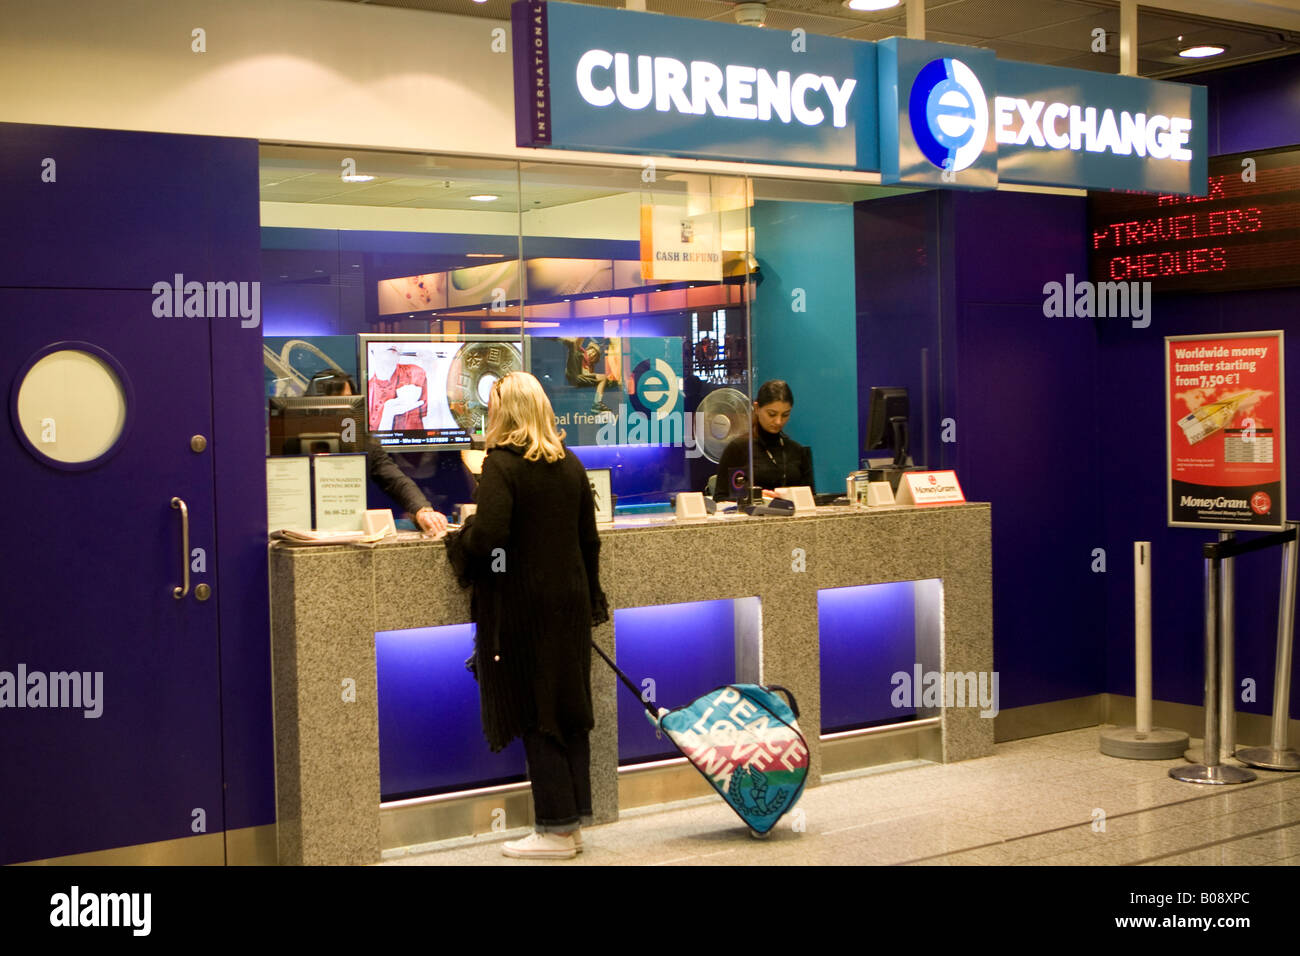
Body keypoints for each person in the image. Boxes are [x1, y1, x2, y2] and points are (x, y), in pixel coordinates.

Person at [445, 371, 606, 860]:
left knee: (538, 711)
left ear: (505, 412)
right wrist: (589, 597)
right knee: (568, 711)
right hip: (570, 603)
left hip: (527, 608)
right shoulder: (570, 464)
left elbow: (492, 539)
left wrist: (460, 541)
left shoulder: (502, 465)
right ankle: (571, 822)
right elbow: (588, 541)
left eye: (492, 404)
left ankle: (555, 831)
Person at [307, 369, 448, 536]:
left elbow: (395, 480)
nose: (342, 410)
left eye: (347, 401)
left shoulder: (363, 443)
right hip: (306, 531)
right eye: (335, 402)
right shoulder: (297, 442)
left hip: (351, 532)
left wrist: (422, 510)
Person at [713, 379, 815, 501]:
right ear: (757, 408)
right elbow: (721, 499)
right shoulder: (738, 449)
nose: (778, 421)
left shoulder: (797, 451)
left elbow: (810, 499)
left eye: (785, 415)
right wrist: (755, 498)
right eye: (772, 414)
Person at [367, 344, 428, 432]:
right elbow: (373, 442)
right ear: (371, 347)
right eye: (385, 338)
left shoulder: (416, 374)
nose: (393, 343)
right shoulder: (367, 390)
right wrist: (388, 416)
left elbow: (432, 419)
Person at [561, 336, 621, 414]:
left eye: (595, 355)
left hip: (579, 383)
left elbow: (589, 379)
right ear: (588, 349)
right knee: (602, 378)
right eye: (592, 351)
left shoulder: (589, 366)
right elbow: (577, 346)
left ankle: (597, 403)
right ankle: (597, 403)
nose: (592, 354)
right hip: (573, 376)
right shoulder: (582, 354)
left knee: (603, 378)